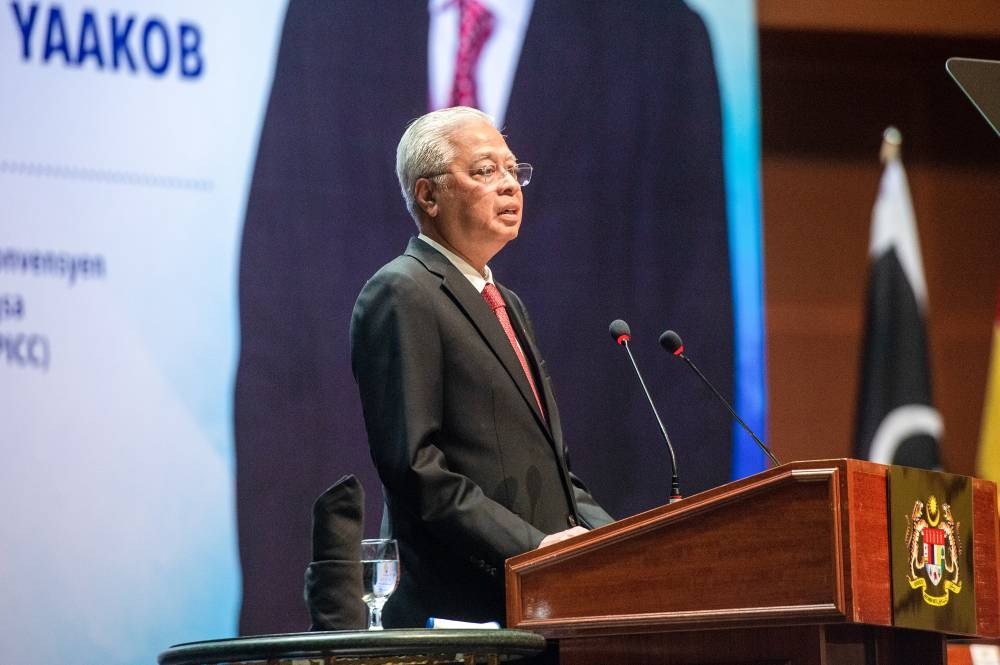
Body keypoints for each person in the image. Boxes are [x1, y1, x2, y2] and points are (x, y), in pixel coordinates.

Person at [350, 107, 615, 627]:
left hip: (540, 601)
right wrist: (533, 549)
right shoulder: (403, 291)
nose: (510, 186)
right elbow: (415, 467)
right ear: (428, 196)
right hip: (464, 612)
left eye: (514, 170)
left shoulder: (505, 302)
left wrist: (619, 543)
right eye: (485, 171)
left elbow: (555, 474)